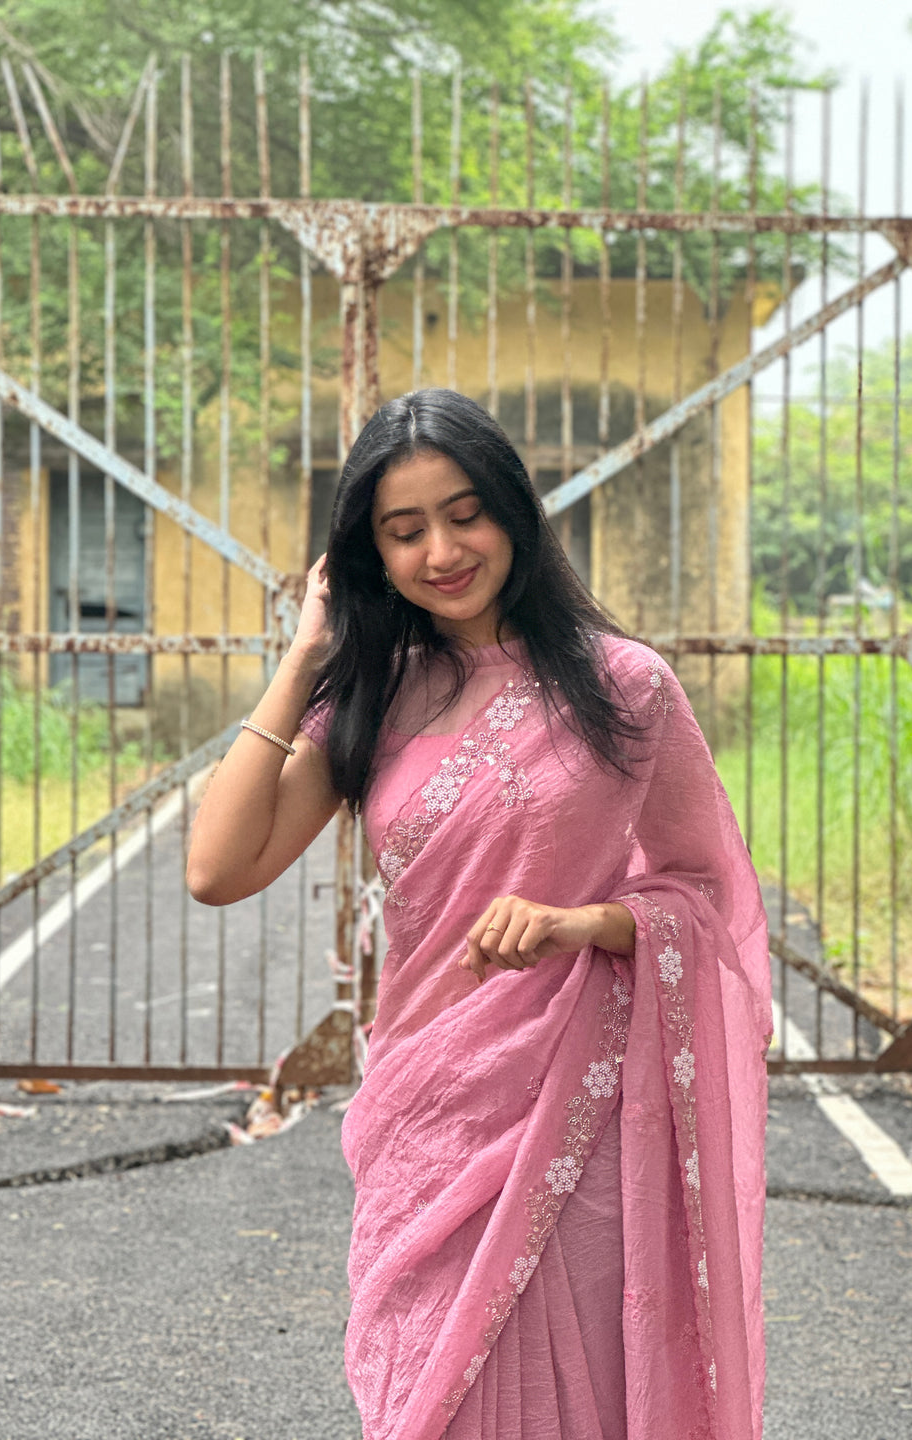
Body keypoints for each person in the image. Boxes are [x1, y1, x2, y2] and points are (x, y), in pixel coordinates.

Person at [186, 388, 772, 1440]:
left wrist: (583, 923)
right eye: (402, 531)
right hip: (426, 1107)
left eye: (465, 514)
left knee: (573, 1394)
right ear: (368, 555)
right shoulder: (374, 695)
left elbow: (707, 898)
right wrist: (302, 657)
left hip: (573, 1106)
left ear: (512, 511)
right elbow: (218, 869)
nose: (442, 551)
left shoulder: (628, 688)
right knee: (423, 1396)